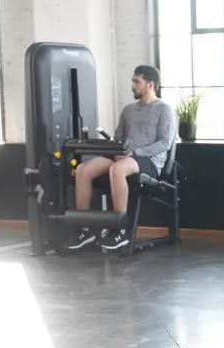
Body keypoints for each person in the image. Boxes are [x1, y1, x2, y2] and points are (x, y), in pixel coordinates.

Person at [66, 65, 176, 252]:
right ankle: (85, 229)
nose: (132, 85)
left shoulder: (164, 110)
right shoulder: (128, 110)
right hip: (124, 157)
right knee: (83, 170)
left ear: (150, 84)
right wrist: (115, 147)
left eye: (136, 81)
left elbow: (164, 143)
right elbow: (119, 139)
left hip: (148, 161)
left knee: (117, 169)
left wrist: (136, 152)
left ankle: (120, 230)